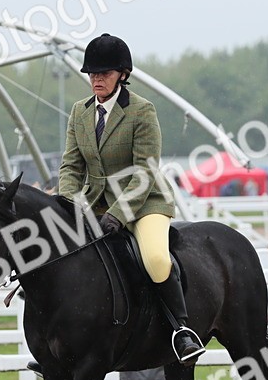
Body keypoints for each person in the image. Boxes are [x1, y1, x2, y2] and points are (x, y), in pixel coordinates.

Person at [57, 32, 205, 362]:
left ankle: (181, 331)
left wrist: (119, 214)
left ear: (122, 75)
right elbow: (71, 166)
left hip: (144, 202)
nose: (97, 79)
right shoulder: (79, 112)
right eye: (93, 74)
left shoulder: (141, 111)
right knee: (66, 258)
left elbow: (145, 170)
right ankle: (59, 341)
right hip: (97, 203)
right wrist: (68, 203)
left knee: (154, 258)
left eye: (104, 74)